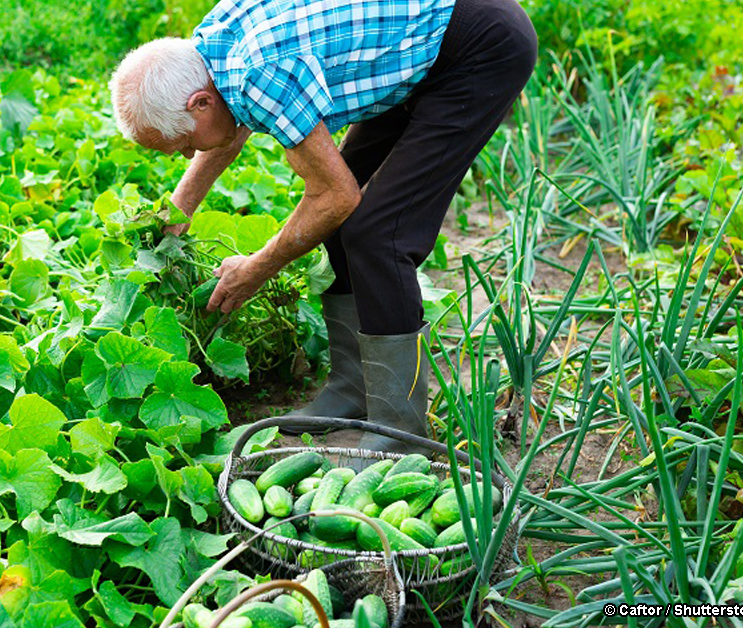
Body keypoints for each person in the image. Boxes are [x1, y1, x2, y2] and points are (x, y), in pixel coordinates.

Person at [108, 0, 537, 452]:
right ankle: (353, 391)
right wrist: (179, 209)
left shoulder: (259, 73)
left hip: (478, 47)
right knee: (337, 221)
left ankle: (401, 431)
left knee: (377, 233)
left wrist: (256, 268)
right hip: (411, 44)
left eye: (182, 143)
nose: (183, 155)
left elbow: (336, 196)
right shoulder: (208, 54)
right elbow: (226, 124)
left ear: (200, 102)